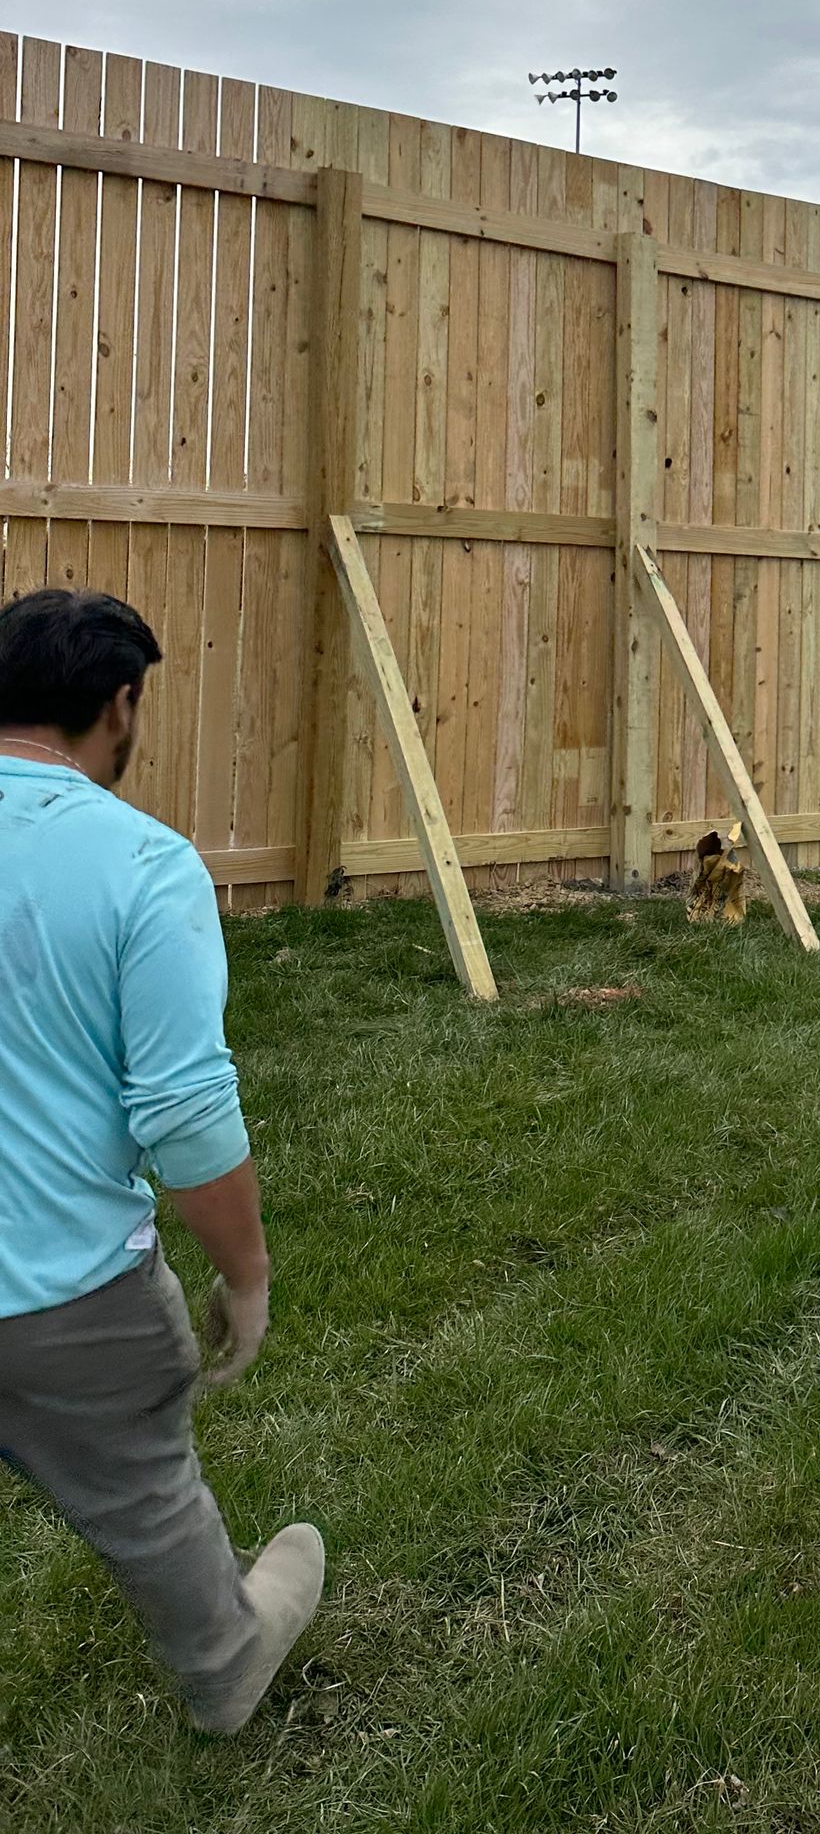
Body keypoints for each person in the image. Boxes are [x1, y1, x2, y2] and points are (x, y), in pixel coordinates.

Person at [0, 586, 323, 1734]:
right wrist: (245, 1274)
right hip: (65, 1301)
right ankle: (228, 1659)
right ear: (119, 704)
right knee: (145, 1491)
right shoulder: (144, 865)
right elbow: (185, 1111)